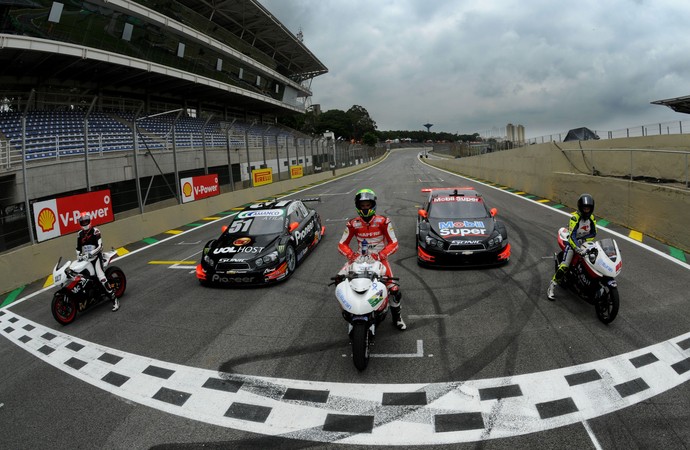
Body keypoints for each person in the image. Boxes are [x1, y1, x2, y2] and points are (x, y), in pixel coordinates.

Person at [338, 188, 406, 330]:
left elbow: (394, 243)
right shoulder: (352, 223)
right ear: (358, 206)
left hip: (379, 259)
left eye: (367, 205)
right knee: (339, 279)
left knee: (394, 290)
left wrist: (380, 255)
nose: (365, 208)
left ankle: (397, 317)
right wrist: (351, 255)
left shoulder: (384, 221)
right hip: (358, 259)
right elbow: (342, 244)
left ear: (373, 205)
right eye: (362, 206)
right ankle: (352, 310)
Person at [547, 193, 598, 300]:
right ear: (580, 207)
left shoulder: (592, 218)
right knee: (565, 266)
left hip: (585, 243)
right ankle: (552, 286)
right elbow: (572, 236)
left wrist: (584, 240)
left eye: (588, 208)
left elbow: (593, 233)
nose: (586, 210)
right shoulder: (575, 218)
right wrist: (577, 248)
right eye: (584, 208)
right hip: (573, 244)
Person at [76, 212, 119, 311]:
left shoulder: (95, 231)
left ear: (90, 220)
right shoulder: (79, 234)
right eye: (82, 221)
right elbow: (78, 248)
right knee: (83, 277)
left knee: (101, 278)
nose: (85, 222)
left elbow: (100, 246)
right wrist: (78, 255)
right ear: (80, 223)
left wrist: (91, 253)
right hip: (86, 260)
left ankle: (114, 299)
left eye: (86, 220)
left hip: (96, 258)